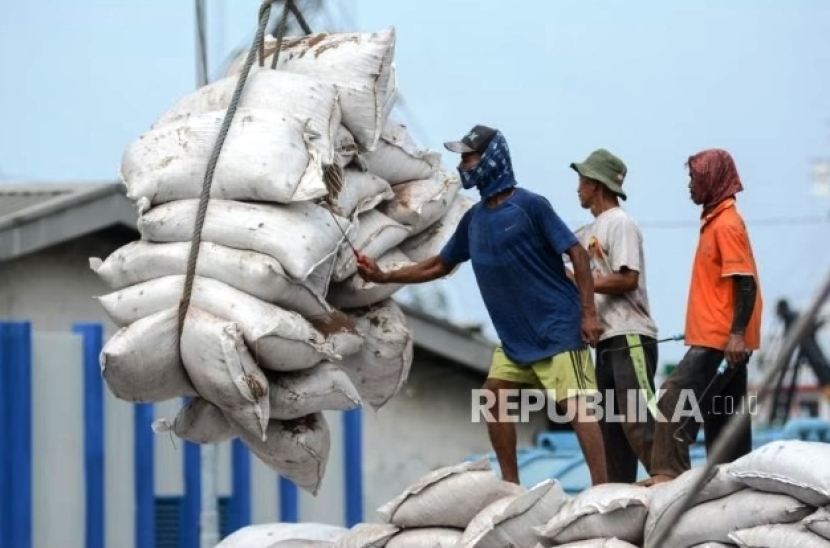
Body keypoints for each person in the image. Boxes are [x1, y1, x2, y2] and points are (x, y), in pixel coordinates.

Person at [356, 124, 608, 486]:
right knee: (492, 398)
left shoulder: (530, 207)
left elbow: (578, 256)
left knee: (577, 408)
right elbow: (440, 265)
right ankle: (510, 486)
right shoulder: (473, 220)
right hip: (516, 340)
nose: (463, 165)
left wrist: (588, 314)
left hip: (559, 328)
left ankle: (600, 488)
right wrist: (383, 276)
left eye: (469, 157)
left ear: (491, 159)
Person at [640, 148, 762, 487]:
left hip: (720, 340)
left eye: (694, 178)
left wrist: (736, 334)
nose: (690, 185)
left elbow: (746, 283)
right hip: (723, 338)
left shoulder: (726, 225)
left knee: (674, 398)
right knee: (725, 418)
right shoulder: (716, 221)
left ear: (711, 179)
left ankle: (668, 473)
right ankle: (736, 482)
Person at [568, 148, 661, 483]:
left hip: (630, 335)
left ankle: (668, 480)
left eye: (582, 179)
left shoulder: (621, 224)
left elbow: (627, 278)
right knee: (612, 430)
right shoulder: (587, 230)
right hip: (606, 340)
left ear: (597, 184)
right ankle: (620, 495)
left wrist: (583, 281)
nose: (577, 187)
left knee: (638, 418)